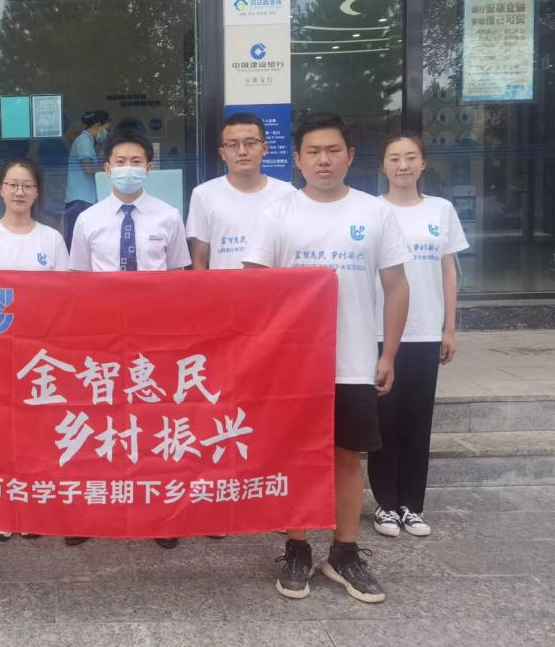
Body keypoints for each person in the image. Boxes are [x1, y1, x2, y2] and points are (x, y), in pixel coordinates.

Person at [243, 112, 410, 604]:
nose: (323, 160)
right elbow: (254, 288)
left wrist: (389, 353)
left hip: (354, 360)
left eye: (333, 150)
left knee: (347, 457)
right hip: (294, 365)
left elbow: (397, 286)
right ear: (297, 160)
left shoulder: (375, 212)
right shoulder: (277, 213)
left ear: (350, 156)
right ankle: (296, 548)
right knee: (296, 456)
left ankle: (345, 552)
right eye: (313, 152)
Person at [69, 129, 191, 549]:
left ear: (148, 168)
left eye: (136, 161)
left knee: (153, 421)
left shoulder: (168, 216)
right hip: (102, 335)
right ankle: (91, 509)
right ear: (106, 169)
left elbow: (177, 278)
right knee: (99, 420)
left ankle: (159, 514)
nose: (128, 169)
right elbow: (79, 281)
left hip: (153, 336)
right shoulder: (87, 219)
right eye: (120, 162)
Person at [369, 133, 469, 539]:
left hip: (426, 330)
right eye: (394, 158)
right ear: (383, 165)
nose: (403, 165)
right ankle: (385, 504)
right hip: (380, 331)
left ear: (423, 164)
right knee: (384, 421)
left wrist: (449, 327)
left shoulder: (441, 210)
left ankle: (412, 505)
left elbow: (448, 272)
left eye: (411, 157)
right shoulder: (371, 210)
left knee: (417, 419)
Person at [0, 156, 69, 541]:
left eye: (27, 185)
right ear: (0, 189)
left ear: (37, 193)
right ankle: (1, 510)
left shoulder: (50, 239)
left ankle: (35, 506)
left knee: (38, 430)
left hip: (41, 353)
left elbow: (65, 298)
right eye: (13, 184)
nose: (19, 192)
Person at [187, 112, 295, 270]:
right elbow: (199, 260)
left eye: (250, 143)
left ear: (265, 148)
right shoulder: (203, 194)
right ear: (222, 153)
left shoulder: (288, 194)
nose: (242, 151)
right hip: (223, 286)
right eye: (232, 145)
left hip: (274, 285)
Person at [64, 109, 110, 246]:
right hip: (80, 200)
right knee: (78, 242)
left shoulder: (87, 141)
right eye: (106, 129)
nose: (106, 133)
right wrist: (108, 168)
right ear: (98, 125)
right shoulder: (84, 141)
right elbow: (88, 169)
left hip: (83, 199)